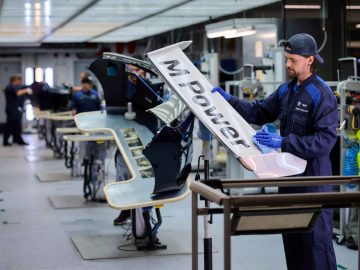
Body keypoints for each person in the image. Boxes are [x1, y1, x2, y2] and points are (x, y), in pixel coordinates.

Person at [213, 33, 338, 270]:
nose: (288, 64)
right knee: (293, 242)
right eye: (287, 59)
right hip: (288, 179)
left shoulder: (322, 95)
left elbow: (324, 142)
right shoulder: (285, 91)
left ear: (310, 60)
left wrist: (282, 142)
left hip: (314, 181)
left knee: (315, 246)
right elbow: (258, 112)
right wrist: (229, 101)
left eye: (293, 60)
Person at [3, 74, 32, 146]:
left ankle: (17, 139)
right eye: (19, 80)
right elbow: (18, 93)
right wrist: (26, 90)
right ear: (15, 80)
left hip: (15, 108)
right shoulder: (10, 87)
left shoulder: (14, 87)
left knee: (17, 125)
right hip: (11, 109)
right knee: (10, 125)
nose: (20, 82)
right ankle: (5, 141)